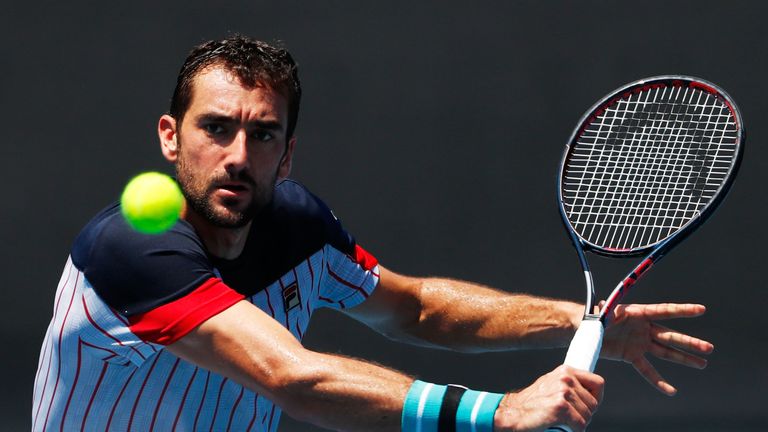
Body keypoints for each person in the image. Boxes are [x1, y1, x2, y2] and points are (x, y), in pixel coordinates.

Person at [32, 35, 713, 432]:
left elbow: (415, 308)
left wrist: (580, 321)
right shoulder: (128, 252)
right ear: (171, 137)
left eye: (263, 134)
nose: (239, 154)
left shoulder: (296, 226)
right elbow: (290, 375)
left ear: (287, 154)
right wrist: (498, 412)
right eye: (217, 128)